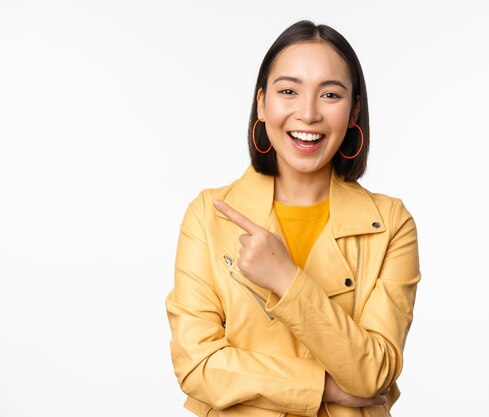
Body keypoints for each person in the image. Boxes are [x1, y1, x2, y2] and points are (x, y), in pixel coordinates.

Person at [165, 20, 421, 417]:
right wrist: (322, 387)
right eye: (288, 91)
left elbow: (374, 371)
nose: (308, 113)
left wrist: (285, 278)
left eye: (330, 95)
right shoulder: (208, 215)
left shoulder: (389, 223)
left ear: (354, 109)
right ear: (262, 103)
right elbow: (197, 366)